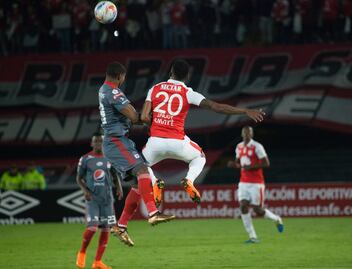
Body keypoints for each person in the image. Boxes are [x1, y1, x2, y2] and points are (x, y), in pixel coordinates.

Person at [111, 59, 265, 246]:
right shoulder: (188, 92)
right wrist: (244, 111)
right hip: (178, 143)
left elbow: (143, 117)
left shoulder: (156, 88)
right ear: (187, 76)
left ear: (170, 72)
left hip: (155, 143)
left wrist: (156, 121)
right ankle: (189, 180)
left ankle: (153, 185)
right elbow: (217, 107)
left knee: (140, 175)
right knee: (199, 157)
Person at [98, 62, 175, 234]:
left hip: (117, 141)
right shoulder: (113, 92)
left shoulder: (104, 90)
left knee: (138, 184)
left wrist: (147, 118)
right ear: (119, 76)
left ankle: (121, 226)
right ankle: (153, 213)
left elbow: (132, 117)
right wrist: (153, 117)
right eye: (124, 77)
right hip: (116, 141)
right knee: (142, 170)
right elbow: (134, 117)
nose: (124, 80)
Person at [227, 126, 283, 243]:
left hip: (256, 183)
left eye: (249, 132)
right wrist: (233, 164)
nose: (247, 134)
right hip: (243, 182)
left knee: (258, 210)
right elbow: (239, 163)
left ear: (252, 134)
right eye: (245, 132)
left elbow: (266, 163)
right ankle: (253, 237)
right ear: (242, 134)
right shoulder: (239, 147)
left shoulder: (257, 146)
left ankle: (277, 219)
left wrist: (251, 167)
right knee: (243, 206)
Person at [76, 133, 123, 269]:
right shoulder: (85, 159)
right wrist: (85, 191)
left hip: (107, 199)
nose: (98, 144)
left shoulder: (109, 158)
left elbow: (115, 175)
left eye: (100, 141)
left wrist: (119, 188)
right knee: (92, 228)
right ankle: (82, 252)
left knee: (106, 229)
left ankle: (97, 262)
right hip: (93, 199)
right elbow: (79, 178)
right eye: (95, 141)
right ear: (92, 144)